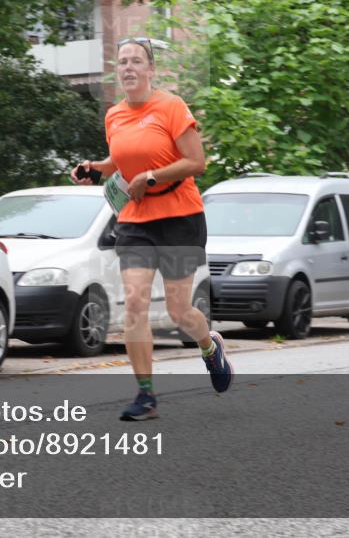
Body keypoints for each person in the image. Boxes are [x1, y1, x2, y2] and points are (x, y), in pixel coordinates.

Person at [70, 37, 233, 420]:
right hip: (136, 220)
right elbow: (121, 160)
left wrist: (152, 176)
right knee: (135, 303)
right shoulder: (114, 115)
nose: (127, 67)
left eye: (136, 61)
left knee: (179, 311)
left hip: (180, 218)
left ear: (151, 69)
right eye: (122, 61)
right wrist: (96, 168)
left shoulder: (171, 107)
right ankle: (146, 395)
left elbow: (196, 162)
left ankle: (210, 346)